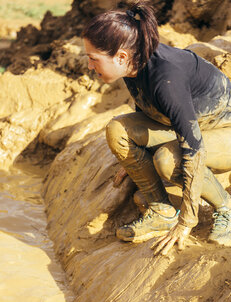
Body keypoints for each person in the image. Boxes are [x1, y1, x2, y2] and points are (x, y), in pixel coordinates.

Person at [82, 0, 231, 255]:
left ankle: (225, 208)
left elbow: (193, 151)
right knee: (117, 130)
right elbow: (147, 107)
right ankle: (161, 210)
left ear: (120, 57)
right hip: (194, 123)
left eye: (93, 59)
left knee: (168, 161)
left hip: (224, 129)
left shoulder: (167, 79)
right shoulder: (133, 64)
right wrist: (134, 160)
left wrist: (187, 222)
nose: (89, 66)